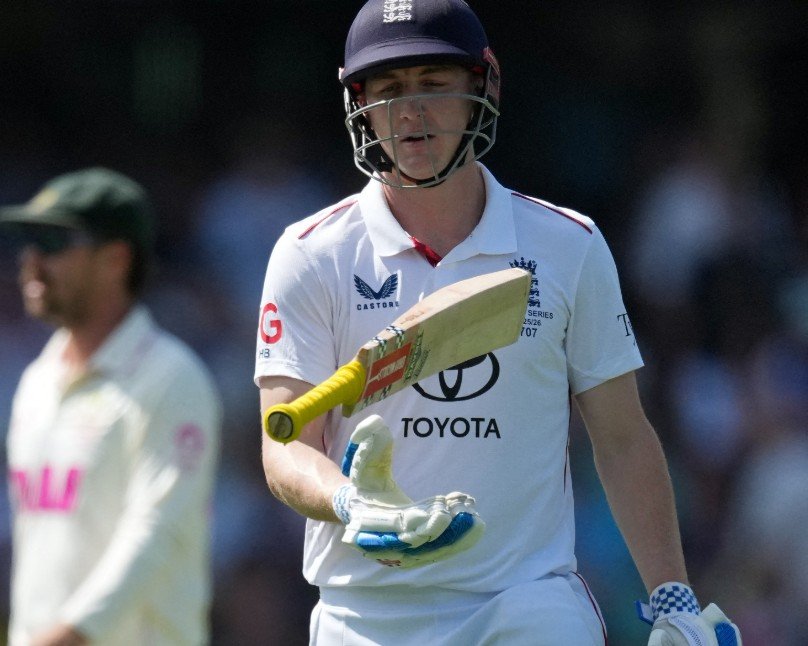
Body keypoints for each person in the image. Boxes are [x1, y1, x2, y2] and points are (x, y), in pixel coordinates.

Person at [255, 1, 742, 644]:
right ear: (359, 105)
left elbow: (622, 436)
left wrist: (673, 597)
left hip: (527, 601)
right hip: (366, 608)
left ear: (483, 88)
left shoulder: (568, 244)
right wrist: (351, 502)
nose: (410, 112)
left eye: (434, 84)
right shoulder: (311, 254)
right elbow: (285, 443)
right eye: (389, 90)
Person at [0, 167, 222, 646]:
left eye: (54, 243)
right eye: (29, 242)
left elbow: (157, 536)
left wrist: (63, 637)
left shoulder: (171, 377)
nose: (31, 261)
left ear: (116, 258)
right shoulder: (38, 380)